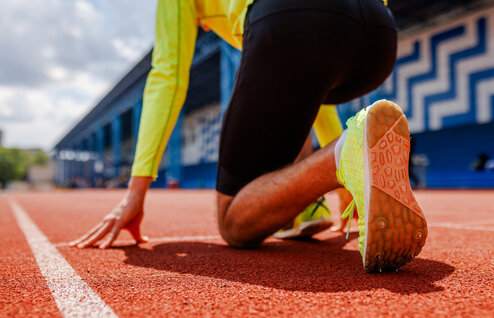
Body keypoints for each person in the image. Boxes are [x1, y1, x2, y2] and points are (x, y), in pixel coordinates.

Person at [70, 0, 428, 272]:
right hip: (378, 36)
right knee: (298, 88)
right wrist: (351, 192)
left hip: (292, 21)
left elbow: (168, 76)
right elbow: (309, 90)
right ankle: (306, 206)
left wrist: (136, 191)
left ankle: (342, 160)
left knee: (234, 222)